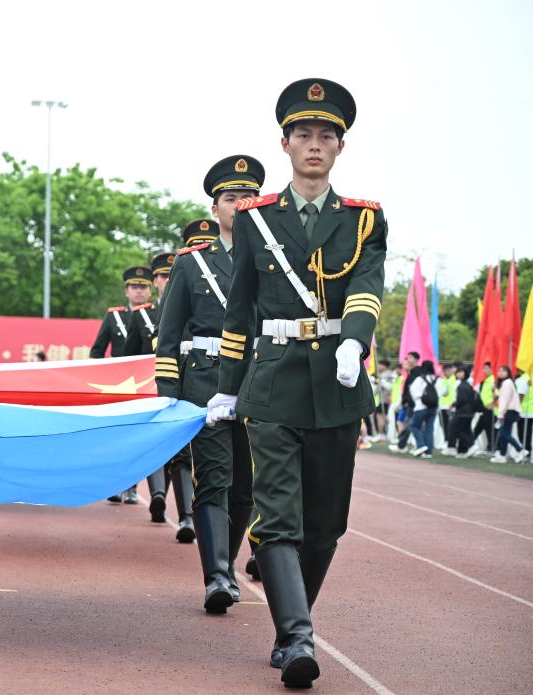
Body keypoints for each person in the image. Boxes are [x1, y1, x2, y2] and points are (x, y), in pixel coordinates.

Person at [206, 78, 387, 688]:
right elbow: (239, 310)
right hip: (274, 382)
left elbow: (367, 285)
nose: (314, 144)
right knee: (277, 515)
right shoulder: (256, 219)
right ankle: (297, 637)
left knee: (326, 523)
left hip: (337, 382)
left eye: (325, 136)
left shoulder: (363, 220)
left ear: (340, 147)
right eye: (303, 134)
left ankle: (292, 624)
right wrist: (229, 385)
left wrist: (354, 340)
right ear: (284, 145)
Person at [157, 154, 265, 611]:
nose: (240, 204)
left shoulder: (275, 260)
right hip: (205, 383)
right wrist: (169, 395)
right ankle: (217, 576)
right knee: (215, 479)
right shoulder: (191, 263)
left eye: (249, 197)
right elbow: (168, 335)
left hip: (259, 383)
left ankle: (229, 562)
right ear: (215, 208)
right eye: (231, 198)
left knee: (246, 488)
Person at [92, 266, 152, 504]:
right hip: (118, 386)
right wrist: (102, 379)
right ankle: (114, 484)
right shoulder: (114, 316)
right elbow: (97, 350)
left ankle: (131, 487)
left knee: (138, 438)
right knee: (115, 437)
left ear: (150, 291)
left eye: (143, 287)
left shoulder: (156, 315)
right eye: (134, 287)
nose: (139, 291)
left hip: (145, 386)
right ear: (126, 290)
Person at [126, 251, 176, 523]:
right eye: (163, 276)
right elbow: (129, 358)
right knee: (157, 441)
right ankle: (157, 495)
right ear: (155, 280)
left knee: (181, 450)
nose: (167, 280)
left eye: (171, 275)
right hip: (150, 388)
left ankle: (179, 508)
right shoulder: (143, 315)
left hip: (187, 382)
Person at [491, 366, 529, 463]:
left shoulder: (507, 383)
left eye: (503, 371)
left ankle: (520, 450)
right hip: (509, 411)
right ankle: (502, 456)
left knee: (504, 434)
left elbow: (505, 400)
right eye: (499, 371)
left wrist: (501, 414)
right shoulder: (507, 383)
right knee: (505, 434)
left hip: (508, 411)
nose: (500, 372)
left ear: (508, 373)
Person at [388, 351, 420, 452]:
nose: (407, 361)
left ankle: (404, 445)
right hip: (408, 403)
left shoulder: (417, 372)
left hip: (414, 404)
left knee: (410, 424)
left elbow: (413, 390)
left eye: (410, 358)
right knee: (408, 424)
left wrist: (406, 401)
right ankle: (406, 444)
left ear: (416, 360)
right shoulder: (409, 374)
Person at [407, 360, 437, 458]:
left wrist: (419, 399)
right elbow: (442, 392)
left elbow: (413, 391)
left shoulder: (420, 379)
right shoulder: (436, 378)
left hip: (421, 406)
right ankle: (428, 452)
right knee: (429, 429)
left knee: (414, 426)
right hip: (433, 407)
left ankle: (421, 445)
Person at [450, 364, 477, 458]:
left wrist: (453, 404)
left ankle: (471, 445)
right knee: (466, 430)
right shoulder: (467, 385)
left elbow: (462, 400)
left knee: (457, 431)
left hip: (463, 412)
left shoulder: (462, 386)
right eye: (457, 372)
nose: (458, 374)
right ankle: (462, 451)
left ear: (465, 373)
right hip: (469, 412)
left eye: (461, 372)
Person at [475, 362, 497, 455]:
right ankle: (468, 445)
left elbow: (497, 394)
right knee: (479, 428)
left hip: (490, 410)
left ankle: (491, 449)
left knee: (488, 430)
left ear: (491, 369)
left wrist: (492, 404)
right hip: (484, 408)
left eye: (486, 368)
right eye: (484, 369)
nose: (484, 371)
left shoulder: (493, 380)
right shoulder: (486, 380)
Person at [436, 363, 458, 454]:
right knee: (444, 425)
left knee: (450, 426)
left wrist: (453, 404)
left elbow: (455, 393)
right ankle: (446, 441)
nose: (446, 372)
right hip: (443, 406)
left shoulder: (454, 380)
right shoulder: (444, 380)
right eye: (444, 371)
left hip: (451, 407)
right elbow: (441, 392)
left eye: (447, 370)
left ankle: (451, 443)